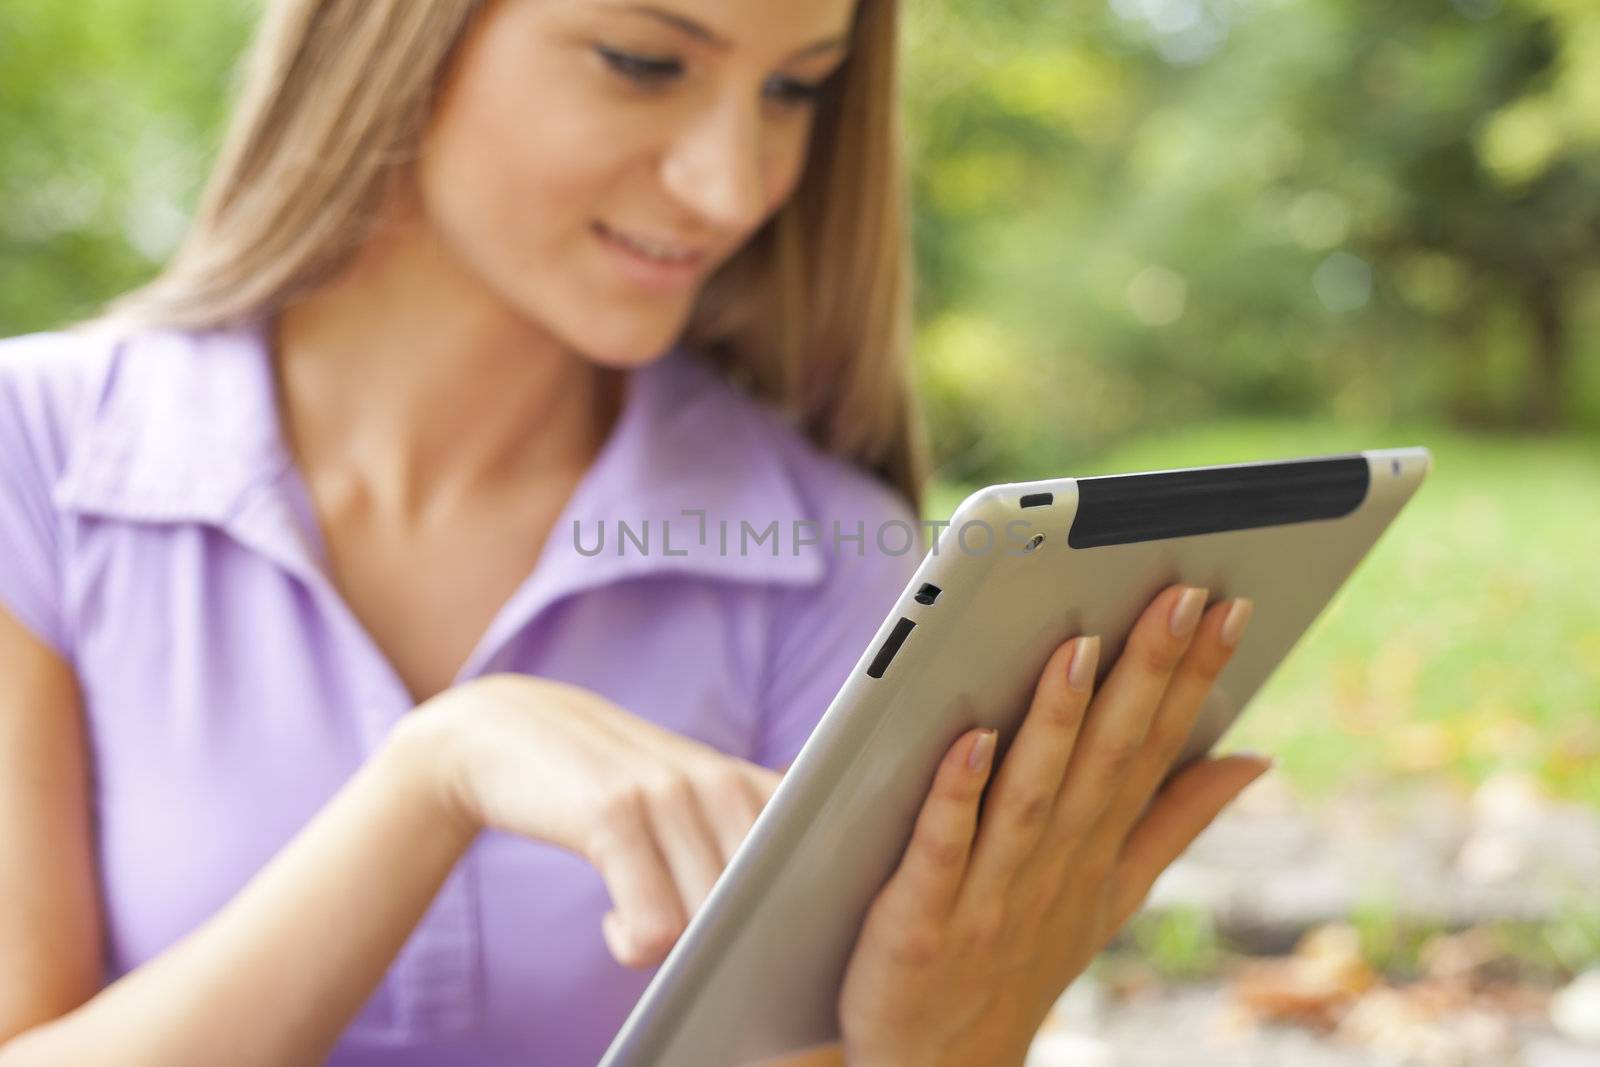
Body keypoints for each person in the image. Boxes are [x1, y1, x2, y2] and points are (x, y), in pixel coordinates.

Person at [0, 0, 1268, 1064]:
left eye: (795, 90)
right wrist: (434, 776)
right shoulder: (36, 454)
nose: (733, 184)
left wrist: (944, 1043)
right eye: (644, 63)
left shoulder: (830, 553)